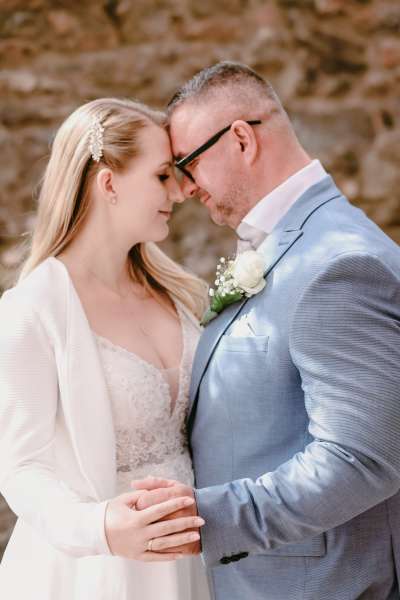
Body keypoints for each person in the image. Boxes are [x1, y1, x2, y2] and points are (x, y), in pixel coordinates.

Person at [132, 62, 400, 600]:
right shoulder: (289, 245)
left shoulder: (336, 263)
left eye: (188, 163)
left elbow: (362, 458)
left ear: (241, 139)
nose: (185, 188)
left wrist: (206, 518)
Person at [0, 97, 212, 600]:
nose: (179, 192)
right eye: (161, 176)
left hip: (194, 558)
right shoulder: (34, 307)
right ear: (109, 183)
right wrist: (100, 529)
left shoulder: (178, 293)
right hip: (98, 570)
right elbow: (20, 467)